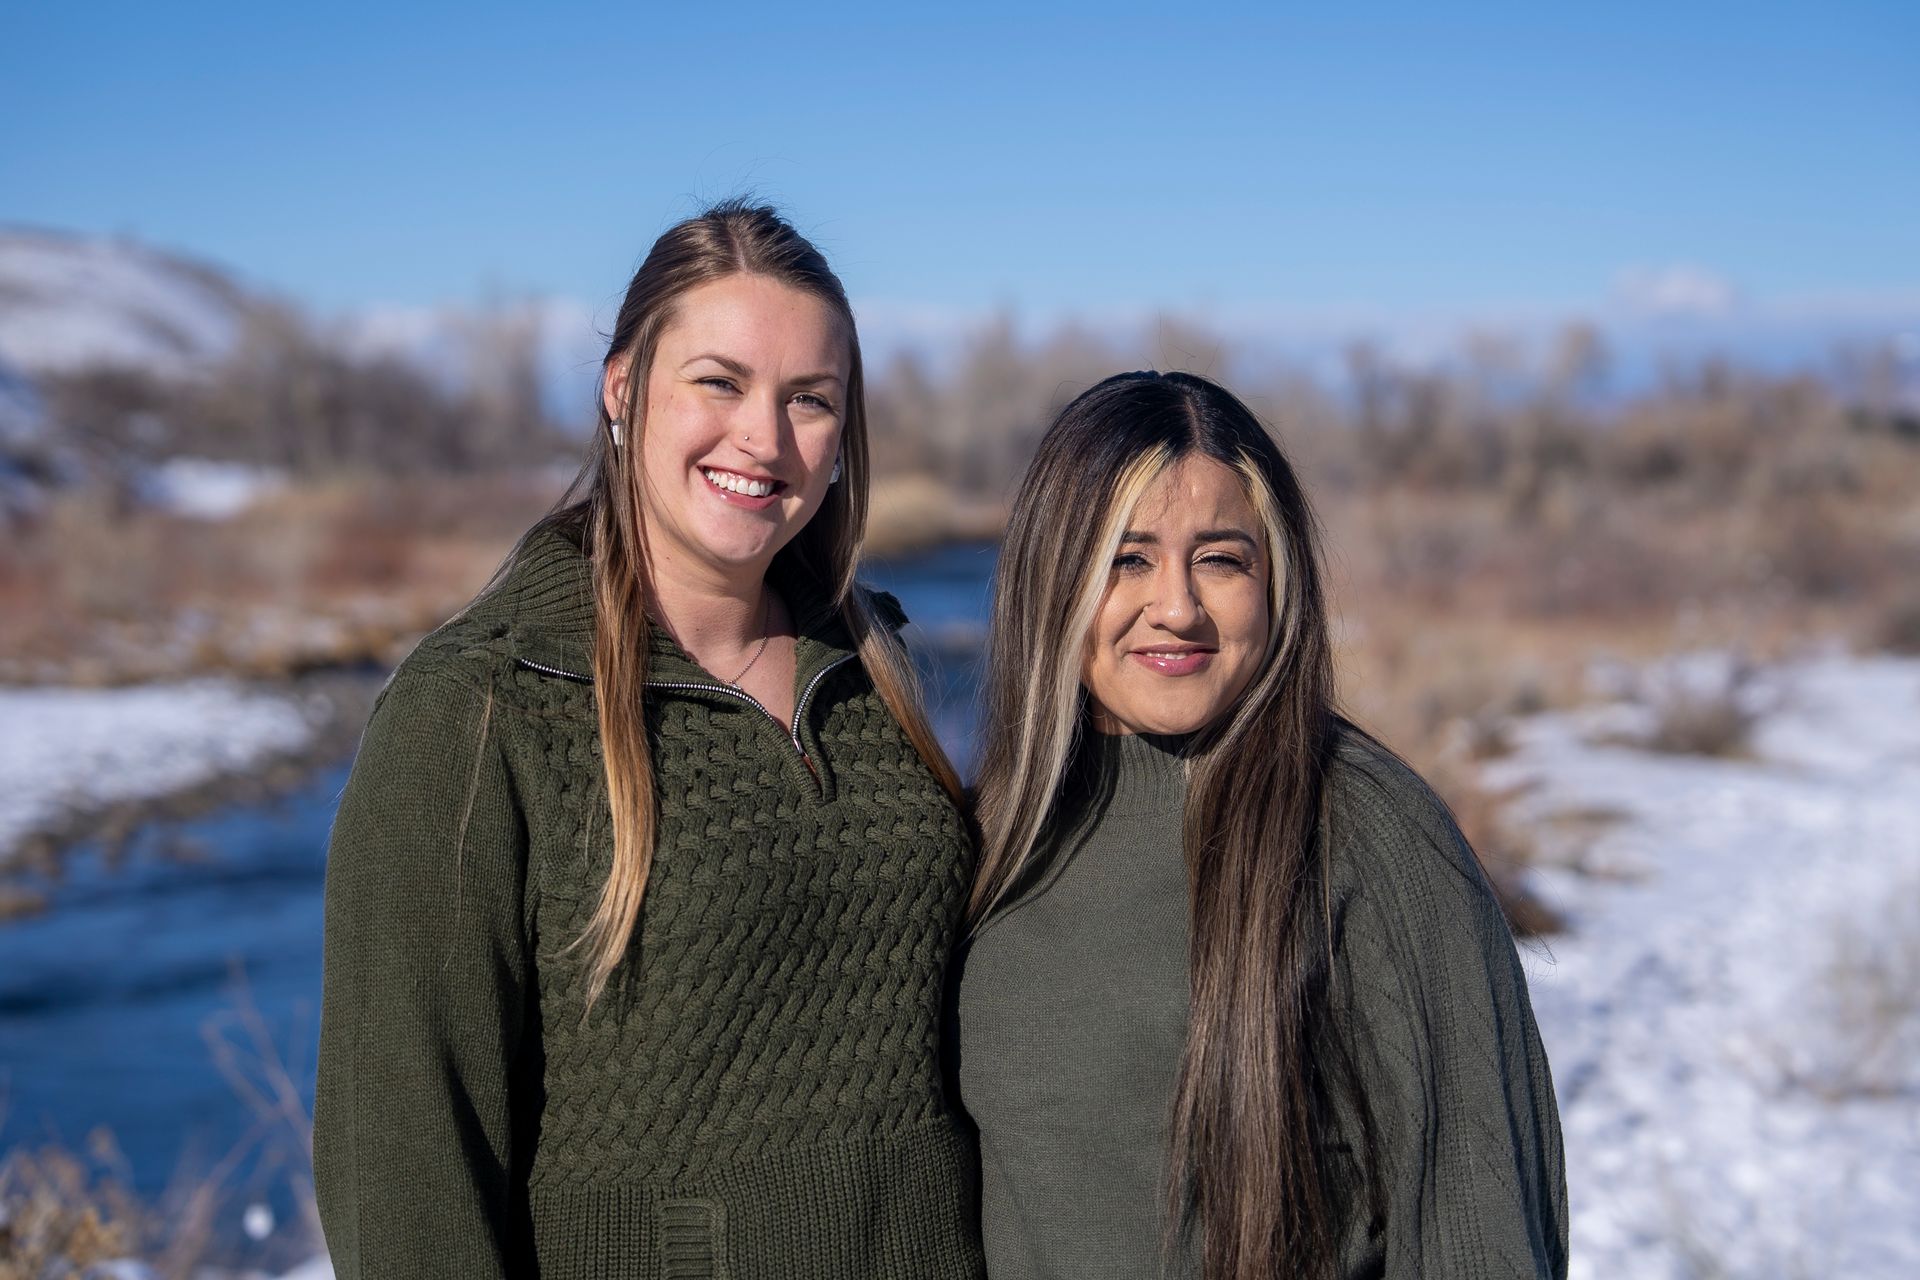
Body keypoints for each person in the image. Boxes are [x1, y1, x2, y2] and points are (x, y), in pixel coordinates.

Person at [314, 201, 986, 1278]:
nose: (763, 439)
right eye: (718, 381)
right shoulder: (481, 709)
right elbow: (405, 1167)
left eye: (809, 399)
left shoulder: (878, 665)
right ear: (623, 388)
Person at [957, 371, 1567, 1280]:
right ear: (1053, 579)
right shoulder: (1002, 829)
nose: (1177, 605)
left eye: (1220, 559)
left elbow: (1480, 1223)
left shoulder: (1365, 828)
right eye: (1127, 558)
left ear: (1275, 581)